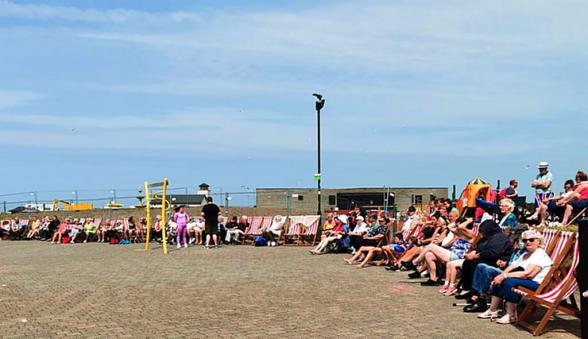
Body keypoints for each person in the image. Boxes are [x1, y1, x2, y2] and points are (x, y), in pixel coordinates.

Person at [479, 230, 552, 324]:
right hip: (527, 281)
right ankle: (493, 310)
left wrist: (505, 276)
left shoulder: (540, 254)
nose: (528, 242)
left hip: (537, 284)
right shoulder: (525, 255)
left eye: (531, 239)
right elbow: (512, 266)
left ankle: (511, 315)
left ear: (539, 241)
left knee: (508, 282)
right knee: (499, 278)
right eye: (525, 240)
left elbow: (528, 274)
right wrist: (501, 275)